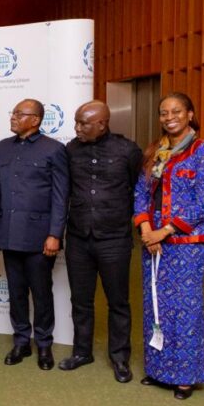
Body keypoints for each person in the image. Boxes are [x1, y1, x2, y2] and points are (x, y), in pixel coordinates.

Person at [133, 92, 204, 400]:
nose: (169, 117)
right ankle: (159, 370)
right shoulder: (155, 151)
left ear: (190, 114)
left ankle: (184, 376)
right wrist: (146, 228)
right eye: (163, 113)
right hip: (153, 240)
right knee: (156, 304)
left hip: (186, 243)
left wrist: (164, 231)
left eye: (176, 111)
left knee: (185, 309)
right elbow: (141, 193)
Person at [59, 100, 142, 383]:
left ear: (102, 124)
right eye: (76, 121)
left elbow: (136, 188)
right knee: (81, 300)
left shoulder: (127, 150)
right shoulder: (71, 149)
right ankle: (82, 352)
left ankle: (120, 358)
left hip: (114, 239)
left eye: (83, 123)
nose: (77, 128)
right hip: (79, 238)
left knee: (118, 302)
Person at [0, 99, 68, 371]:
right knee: (15, 292)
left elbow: (61, 197)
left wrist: (55, 234)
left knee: (41, 292)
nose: (13, 118)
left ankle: (44, 344)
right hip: (10, 232)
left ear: (35, 120)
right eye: (12, 113)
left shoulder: (54, 149)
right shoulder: (2, 147)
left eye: (19, 114)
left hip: (40, 236)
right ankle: (21, 341)